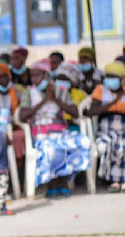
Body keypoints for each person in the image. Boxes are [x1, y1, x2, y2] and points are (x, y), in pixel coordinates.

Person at [19, 59, 91, 198]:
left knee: (82, 141)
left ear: (46, 76)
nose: (34, 79)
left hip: (60, 132)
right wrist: (44, 100)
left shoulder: (61, 91)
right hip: (40, 134)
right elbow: (22, 115)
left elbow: (75, 113)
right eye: (32, 76)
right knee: (51, 148)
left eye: (37, 75)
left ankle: (64, 182)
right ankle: (52, 185)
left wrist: (55, 99)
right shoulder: (29, 92)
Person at [86, 61, 125, 192]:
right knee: (108, 144)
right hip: (105, 129)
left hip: (123, 127)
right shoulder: (100, 89)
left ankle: (123, 180)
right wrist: (114, 102)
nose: (110, 80)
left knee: (122, 143)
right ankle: (113, 180)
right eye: (108, 76)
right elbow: (92, 111)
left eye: (113, 77)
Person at [55, 62, 87, 131]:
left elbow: (83, 113)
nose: (61, 82)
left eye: (64, 79)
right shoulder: (54, 93)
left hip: (76, 127)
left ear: (73, 81)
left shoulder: (80, 94)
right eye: (59, 79)